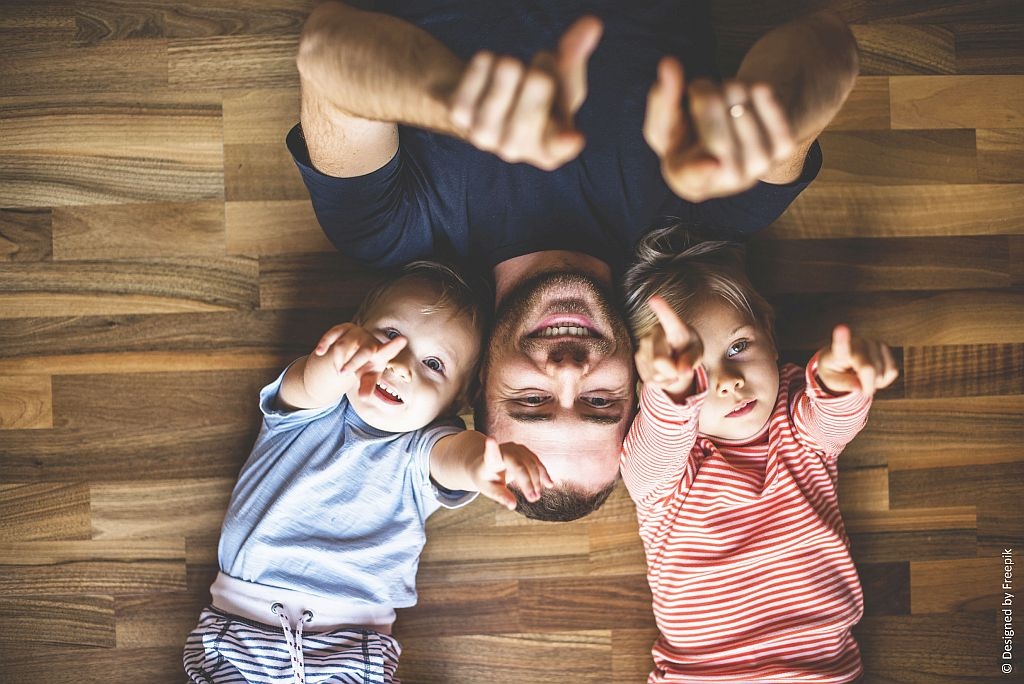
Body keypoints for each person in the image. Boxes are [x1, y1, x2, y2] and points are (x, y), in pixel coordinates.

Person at [289, 0, 860, 520]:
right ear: (639, 384)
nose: (567, 370)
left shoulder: (390, 235)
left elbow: (324, 48)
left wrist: (457, 100)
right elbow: (829, 44)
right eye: (599, 401)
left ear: (478, 386)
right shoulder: (707, 214)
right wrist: (765, 124)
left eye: (532, 401)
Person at [183, 261, 552, 684]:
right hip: (244, 633)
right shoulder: (308, 409)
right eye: (390, 338)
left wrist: (482, 461)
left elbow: (452, 457)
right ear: (354, 330)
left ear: (456, 401)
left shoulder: (420, 449)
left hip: (351, 647)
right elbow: (311, 381)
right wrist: (337, 361)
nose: (401, 366)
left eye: (434, 364)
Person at [619, 227, 900, 682]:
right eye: (698, 371)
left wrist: (840, 382)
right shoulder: (667, 470)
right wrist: (672, 391)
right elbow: (655, 449)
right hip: (705, 672)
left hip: (816, 666)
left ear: (769, 334)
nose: (728, 380)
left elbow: (833, 420)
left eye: (738, 347)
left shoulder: (798, 423)